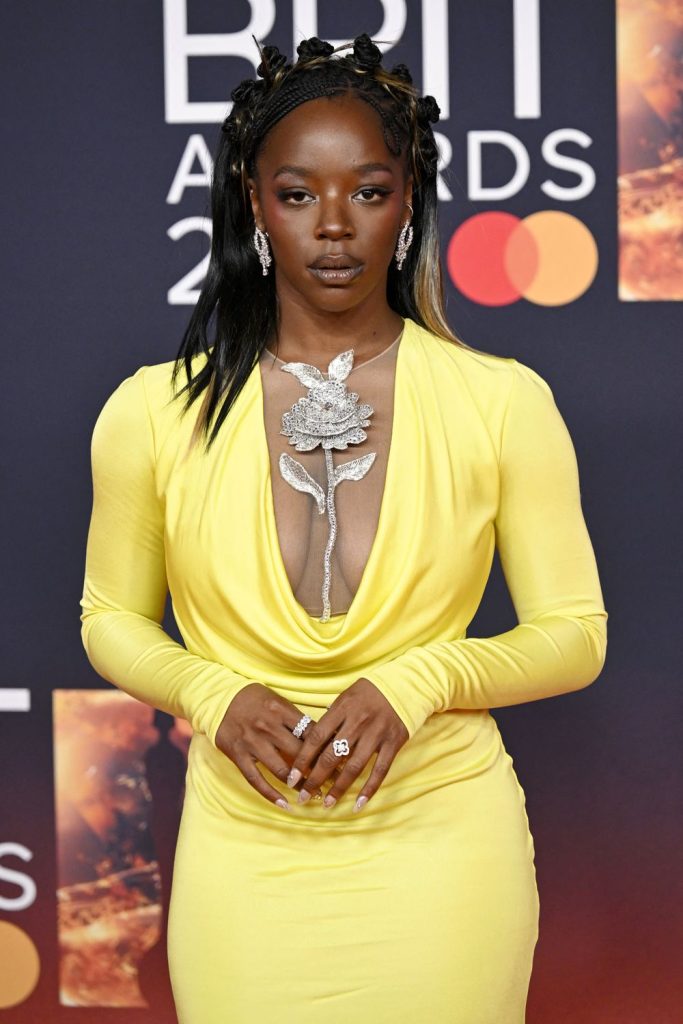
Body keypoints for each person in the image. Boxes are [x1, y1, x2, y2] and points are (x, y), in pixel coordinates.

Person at [79, 33, 608, 1024]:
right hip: (246, 856)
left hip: (443, 850)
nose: (332, 226)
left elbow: (574, 633)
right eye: (296, 193)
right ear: (251, 201)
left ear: (407, 204)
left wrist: (423, 678)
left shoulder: (501, 402)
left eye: (367, 191)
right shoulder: (151, 413)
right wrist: (210, 688)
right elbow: (109, 614)